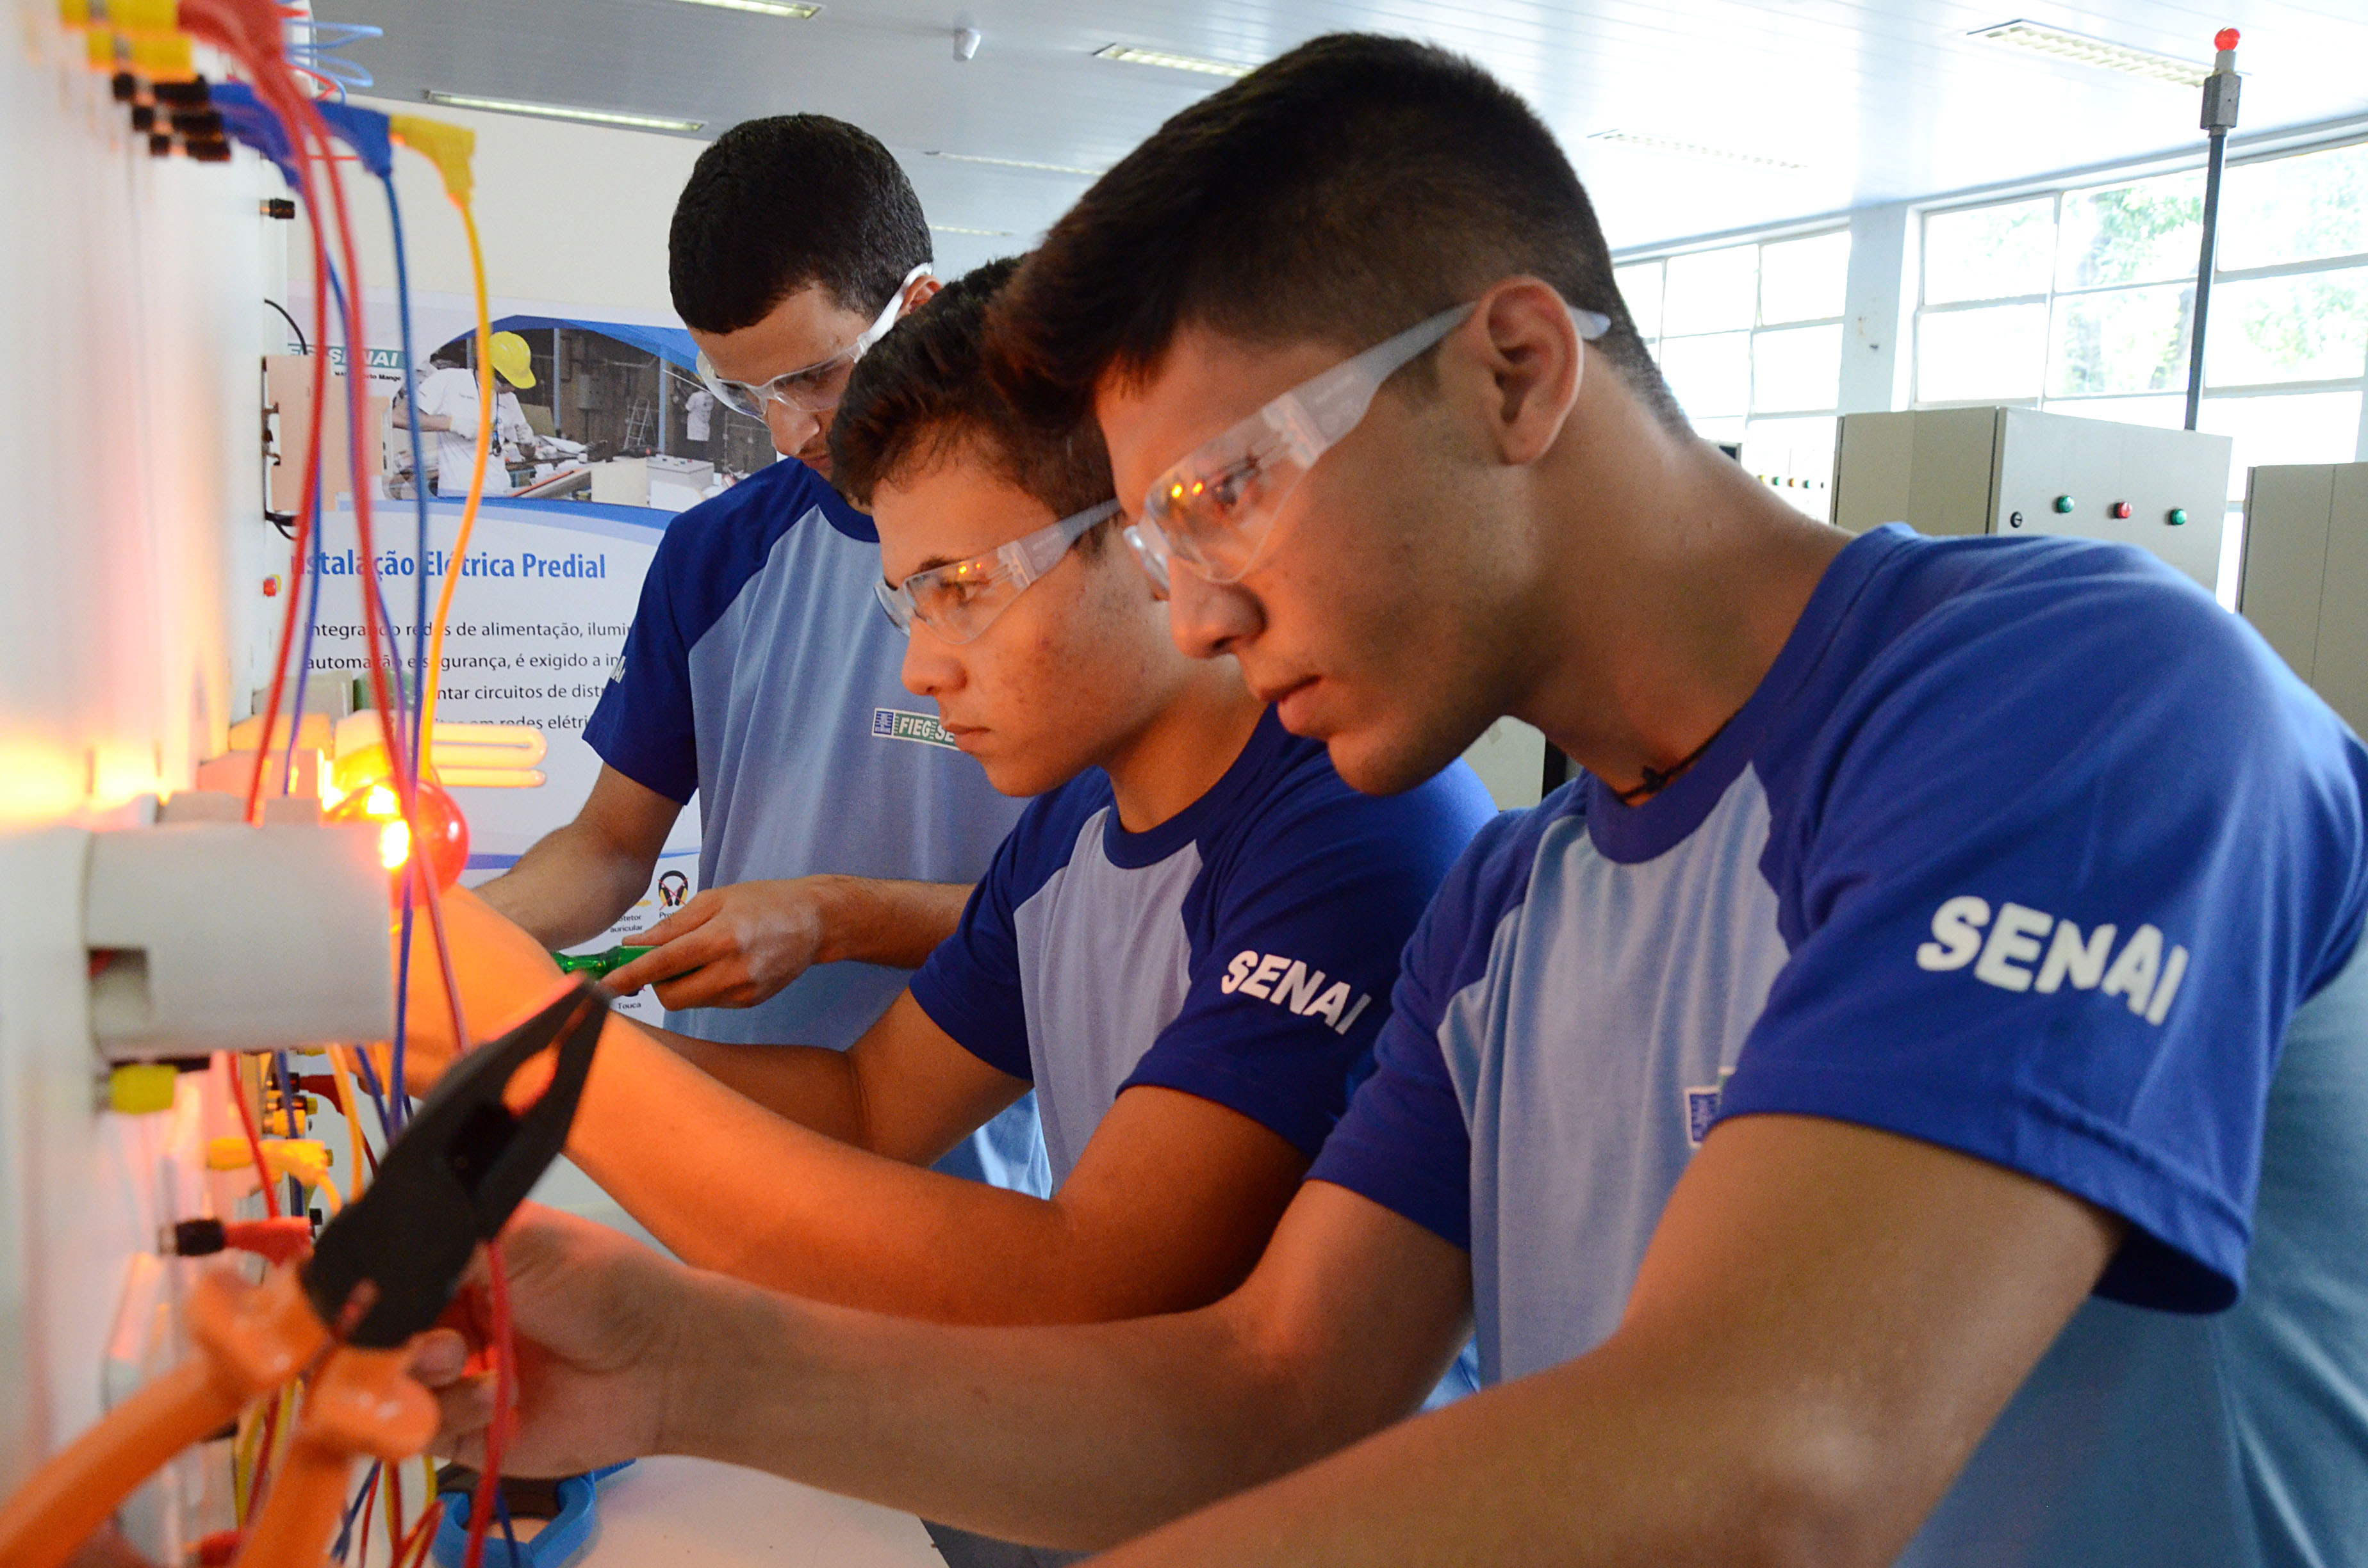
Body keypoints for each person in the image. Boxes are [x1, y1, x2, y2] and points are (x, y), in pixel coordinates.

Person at [418, 35, 2368, 1568]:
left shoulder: (2077, 709)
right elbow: (1264, 1396)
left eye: (1220, 495)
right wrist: (682, 1367)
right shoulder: (1511, 907)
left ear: (1513, 371)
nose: (1193, 605)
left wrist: (496, 1015)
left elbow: (1775, 1457)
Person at [405, 256, 1492, 1563]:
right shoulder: (1074, 831)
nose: (923, 664)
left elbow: (1089, 1284)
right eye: (907, 595)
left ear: (1154, 534)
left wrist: (527, 1042)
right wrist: (528, 1039)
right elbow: (873, 1104)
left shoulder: (1354, 824)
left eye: (962, 587)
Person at [472, 117, 1042, 1186]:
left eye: (820, 377)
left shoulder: (1060, 557)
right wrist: (452, 943)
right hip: (742, 1135)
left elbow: (1098, 915)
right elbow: (606, 845)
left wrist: (830, 916)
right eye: (750, 393)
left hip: (982, 1169)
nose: (789, 430)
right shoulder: (717, 554)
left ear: (917, 307)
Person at [411, 333, 536, 497]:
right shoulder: (449, 381)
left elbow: (527, 453)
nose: (514, 389)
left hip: (499, 494)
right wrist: (452, 424)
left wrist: (529, 444)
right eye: (510, 382)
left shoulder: (509, 398)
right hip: (459, 497)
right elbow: (401, 417)